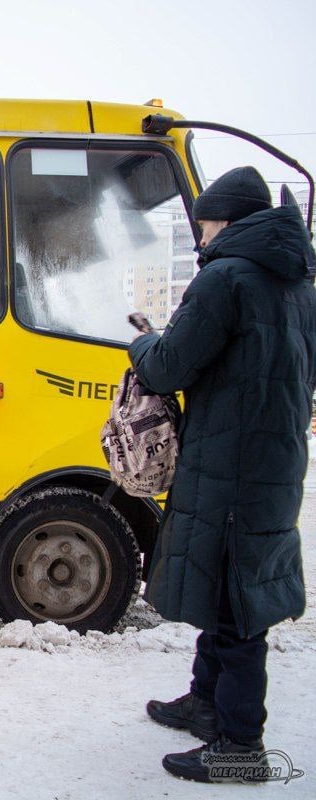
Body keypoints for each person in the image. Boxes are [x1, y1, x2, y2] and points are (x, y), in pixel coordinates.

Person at [131, 167, 316, 783]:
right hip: (275, 459)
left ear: (228, 220)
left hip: (231, 464)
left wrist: (144, 342)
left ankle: (241, 746)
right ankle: (205, 703)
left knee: (236, 605)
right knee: (230, 584)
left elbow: (166, 369)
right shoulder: (299, 285)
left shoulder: (225, 279)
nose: (200, 233)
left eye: (205, 222)